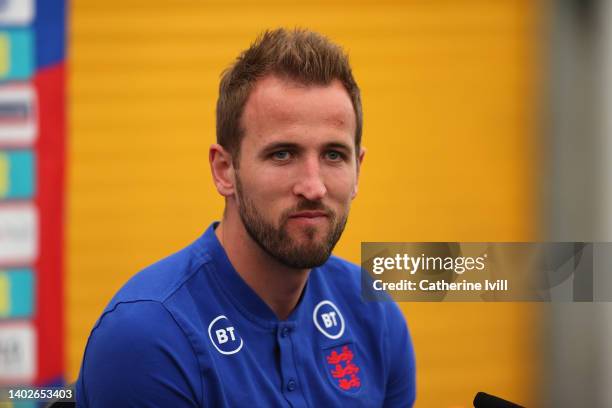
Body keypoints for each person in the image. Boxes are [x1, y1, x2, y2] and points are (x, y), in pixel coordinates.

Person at [76, 28, 416, 407]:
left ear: (358, 170)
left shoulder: (374, 316)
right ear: (224, 170)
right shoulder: (147, 335)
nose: (313, 186)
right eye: (283, 154)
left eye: (334, 155)